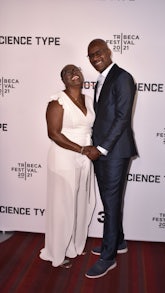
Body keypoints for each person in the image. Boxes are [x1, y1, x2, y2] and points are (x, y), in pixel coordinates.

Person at [84, 39, 138, 278]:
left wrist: (102, 148)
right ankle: (119, 241)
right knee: (109, 201)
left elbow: (122, 118)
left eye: (98, 53)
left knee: (112, 201)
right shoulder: (102, 79)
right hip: (102, 151)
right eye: (91, 55)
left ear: (108, 52)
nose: (95, 57)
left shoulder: (122, 77)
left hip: (114, 152)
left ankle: (108, 257)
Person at [39, 64, 96, 268]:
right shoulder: (57, 101)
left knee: (81, 203)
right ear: (63, 79)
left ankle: (73, 245)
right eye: (68, 72)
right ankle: (56, 252)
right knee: (62, 207)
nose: (74, 74)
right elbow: (53, 133)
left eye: (76, 70)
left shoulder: (89, 100)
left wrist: (91, 150)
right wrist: (82, 149)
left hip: (85, 158)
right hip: (64, 158)